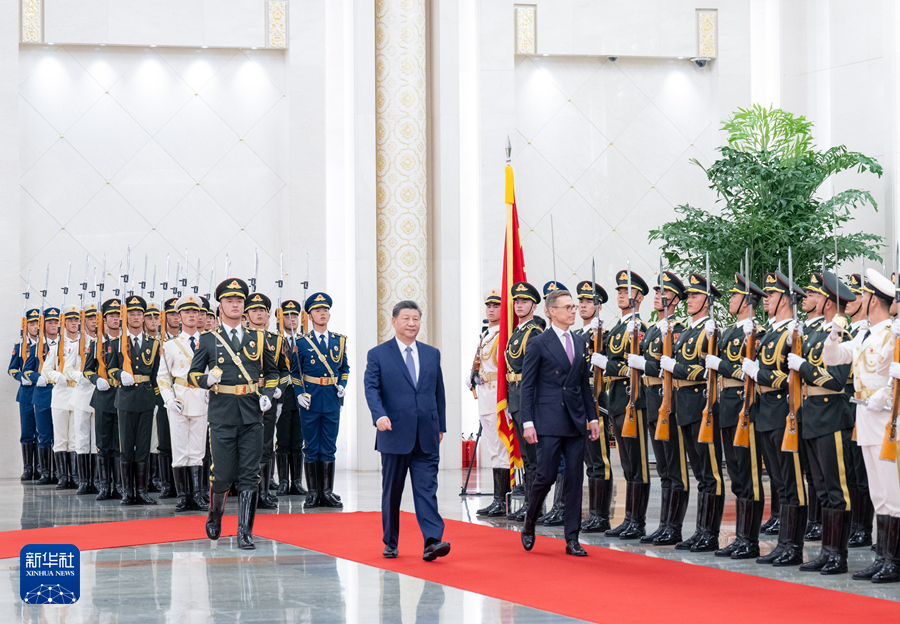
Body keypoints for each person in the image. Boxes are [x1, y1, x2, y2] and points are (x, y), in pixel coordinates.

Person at [189, 278, 278, 550]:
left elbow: (273, 372)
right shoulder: (208, 340)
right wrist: (205, 380)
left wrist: (268, 393)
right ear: (220, 306)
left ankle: (245, 532)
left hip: (252, 414)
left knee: (251, 475)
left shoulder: (260, 338)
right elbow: (193, 374)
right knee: (223, 474)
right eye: (230, 301)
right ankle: (215, 515)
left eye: (240, 301)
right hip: (222, 413)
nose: (236, 305)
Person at [824, 268, 899, 583]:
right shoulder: (865, 333)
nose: (860, 299)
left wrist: (884, 394)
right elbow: (835, 357)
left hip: (887, 418)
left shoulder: (894, 333)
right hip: (865, 417)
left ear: (874, 300)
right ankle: (882, 556)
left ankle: (893, 560)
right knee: (878, 492)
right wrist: (833, 334)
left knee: (892, 492)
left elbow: (896, 375)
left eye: (865, 295)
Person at [364, 300, 450, 561]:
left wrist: (441, 425)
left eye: (416, 319)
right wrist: (379, 415)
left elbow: (439, 392)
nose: (412, 323)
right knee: (392, 492)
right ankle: (390, 541)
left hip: (427, 433)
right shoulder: (378, 354)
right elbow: (372, 389)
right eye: (406, 319)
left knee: (427, 490)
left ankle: (432, 541)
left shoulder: (431, 353)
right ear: (394, 322)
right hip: (394, 433)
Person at [520, 288, 601, 556]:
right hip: (548, 419)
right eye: (567, 307)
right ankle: (530, 521)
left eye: (573, 307)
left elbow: (582, 385)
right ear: (550, 311)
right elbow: (527, 386)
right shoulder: (538, 343)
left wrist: (592, 417)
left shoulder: (579, 342)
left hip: (575, 420)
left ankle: (572, 538)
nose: (573, 311)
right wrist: (527, 422)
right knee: (546, 476)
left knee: (575, 478)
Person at [791, 272, 856, 575]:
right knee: (820, 487)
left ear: (828, 301)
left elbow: (837, 380)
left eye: (813, 294)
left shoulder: (841, 333)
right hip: (812, 415)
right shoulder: (816, 333)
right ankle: (826, 552)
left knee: (835, 488)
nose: (807, 298)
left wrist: (803, 367)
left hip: (831, 416)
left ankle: (837, 555)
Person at [743, 270, 808, 566]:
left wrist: (760, 374)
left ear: (785, 298)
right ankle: (783, 543)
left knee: (792, 482)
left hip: (785, 413)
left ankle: (793, 545)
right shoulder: (771, 333)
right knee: (780, 482)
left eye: (770, 294)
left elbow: (792, 379)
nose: (764, 299)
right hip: (766, 413)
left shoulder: (794, 333)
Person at [660, 273, 725, 552]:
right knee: (699, 472)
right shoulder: (686, 331)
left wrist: (677, 369)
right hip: (684, 407)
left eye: (695, 296)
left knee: (710, 473)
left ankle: (710, 532)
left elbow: (708, 370)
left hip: (702, 406)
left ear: (708, 301)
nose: (689, 300)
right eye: (688, 296)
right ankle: (699, 531)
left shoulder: (710, 332)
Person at [708, 273, 767, 559]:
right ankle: (741, 537)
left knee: (749, 473)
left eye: (734, 296)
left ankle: (750, 540)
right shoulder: (731, 331)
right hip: (728, 408)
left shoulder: (758, 333)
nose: (729, 300)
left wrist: (721, 365)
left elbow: (749, 371)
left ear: (747, 301)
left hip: (747, 407)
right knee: (736, 476)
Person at [591, 269, 650, 539]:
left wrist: (607, 364)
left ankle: (637, 521)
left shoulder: (639, 328)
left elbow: (633, 367)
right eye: (619, 291)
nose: (621, 295)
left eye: (626, 291)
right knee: (626, 463)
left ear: (638, 296)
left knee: (637, 463)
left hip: (631, 399)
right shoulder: (616, 328)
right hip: (614, 399)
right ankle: (628, 518)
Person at [630, 271, 688, 545]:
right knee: (663, 467)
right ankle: (664, 524)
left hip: (668, 399)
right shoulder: (655, 328)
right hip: (652, 398)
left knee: (675, 466)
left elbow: (670, 366)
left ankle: (674, 527)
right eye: (656, 292)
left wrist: (645, 365)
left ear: (675, 299)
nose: (657, 297)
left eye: (663, 293)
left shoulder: (677, 330)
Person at [291, 292, 350, 509]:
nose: (322, 313)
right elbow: (295, 372)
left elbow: (344, 368)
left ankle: (327, 492)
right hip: (311, 399)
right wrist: (299, 393)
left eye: (325, 310)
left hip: (332, 399)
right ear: (310, 316)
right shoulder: (301, 342)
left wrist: (343, 384)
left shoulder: (339, 341)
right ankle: (313, 493)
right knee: (311, 446)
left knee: (329, 446)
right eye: (317, 310)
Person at [106, 295, 161, 506]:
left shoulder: (152, 343)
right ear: (125, 316)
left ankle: (142, 491)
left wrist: (157, 400)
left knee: (144, 445)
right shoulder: (117, 343)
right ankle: (127, 493)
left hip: (146, 398)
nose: (136, 317)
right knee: (127, 446)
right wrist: (120, 375)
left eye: (140, 314)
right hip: (126, 399)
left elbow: (156, 374)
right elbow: (110, 368)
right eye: (132, 313)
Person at [158, 294, 209, 512]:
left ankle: (197, 494)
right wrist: (168, 399)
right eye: (186, 312)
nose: (190, 315)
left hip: (201, 397)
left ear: (200, 316)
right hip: (179, 398)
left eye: (194, 312)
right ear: (179, 317)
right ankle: (183, 495)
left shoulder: (209, 342)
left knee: (197, 450)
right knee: (179, 449)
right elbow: (162, 377)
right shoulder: (170, 345)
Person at [573, 280, 614, 533]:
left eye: (588, 301)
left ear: (599, 306)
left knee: (599, 460)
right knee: (586, 459)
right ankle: (591, 513)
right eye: (581, 301)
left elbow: (610, 370)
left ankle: (601, 515)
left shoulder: (605, 335)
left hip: (596, 402)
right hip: (577, 403)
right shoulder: (577, 336)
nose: (583, 305)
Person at [503, 282, 544, 522]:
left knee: (535, 458)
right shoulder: (517, 333)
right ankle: (529, 504)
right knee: (528, 459)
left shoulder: (534, 333)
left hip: (529, 399)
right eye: (517, 302)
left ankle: (534, 507)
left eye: (524, 302)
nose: (519, 305)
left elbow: (533, 372)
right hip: (516, 398)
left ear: (533, 305)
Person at [468, 290, 510, 517]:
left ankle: (501, 500)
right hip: (484, 395)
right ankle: (497, 499)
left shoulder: (503, 334)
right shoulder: (486, 334)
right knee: (493, 447)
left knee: (500, 447)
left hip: (497, 396)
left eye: (496, 306)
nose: (491, 310)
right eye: (489, 306)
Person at [245, 292, 288, 510]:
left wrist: (277, 391)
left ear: (268, 315)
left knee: (266, 445)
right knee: (246, 446)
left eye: (262, 310)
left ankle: (263, 493)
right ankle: (248, 491)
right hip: (244, 397)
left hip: (268, 397)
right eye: (254, 310)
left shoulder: (277, 340)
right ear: (247, 314)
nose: (259, 313)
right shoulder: (241, 337)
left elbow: (283, 370)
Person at [844, 273, 874, 549]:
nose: (849, 300)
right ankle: (854, 524)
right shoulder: (848, 332)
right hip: (846, 405)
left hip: (865, 404)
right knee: (852, 468)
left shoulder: (872, 333)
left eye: (855, 295)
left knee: (865, 470)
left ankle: (864, 527)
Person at [84, 299, 123, 500]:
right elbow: (87, 369)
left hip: (123, 397)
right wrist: (97, 379)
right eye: (111, 316)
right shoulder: (97, 343)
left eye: (118, 315)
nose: (115, 319)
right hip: (103, 398)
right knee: (103, 443)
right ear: (104, 319)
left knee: (119, 444)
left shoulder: (127, 342)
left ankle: (119, 486)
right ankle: (104, 486)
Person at [41, 305, 82, 490]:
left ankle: (74, 476)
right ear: (64, 324)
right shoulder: (57, 346)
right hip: (60, 394)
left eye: (76, 320)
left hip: (78, 394)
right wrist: (56, 376)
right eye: (70, 321)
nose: (74, 324)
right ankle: (62, 477)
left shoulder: (84, 344)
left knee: (74, 438)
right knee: (61, 438)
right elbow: (45, 369)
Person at [276, 299, 306, 496]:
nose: (292, 319)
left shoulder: (305, 341)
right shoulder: (276, 340)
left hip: (301, 394)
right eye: (287, 315)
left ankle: (296, 481)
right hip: (283, 394)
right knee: (283, 439)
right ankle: (283, 482)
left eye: (295, 315)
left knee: (298, 440)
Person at [70, 303, 98, 495]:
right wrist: (79, 376)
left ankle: (96, 480)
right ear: (84, 321)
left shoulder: (107, 342)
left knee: (97, 439)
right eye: (90, 318)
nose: (94, 322)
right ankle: (83, 481)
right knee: (82, 438)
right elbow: (67, 368)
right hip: (81, 395)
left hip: (100, 395)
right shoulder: (77, 343)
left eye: (96, 318)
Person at [9, 308, 40, 481]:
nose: (35, 327)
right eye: (32, 323)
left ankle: (43, 467)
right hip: (27, 393)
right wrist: (22, 377)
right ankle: (28, 468)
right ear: (26, 326)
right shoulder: (20, 346)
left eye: (37, 323)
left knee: (43, 432)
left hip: (42, 392)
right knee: (28, 430)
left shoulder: (48, 345)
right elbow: (12, 368)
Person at [33, 306, 60, 485]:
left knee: (60, 435)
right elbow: (27, 369)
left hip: (61, 393)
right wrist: (37, 377)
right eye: (50, 322)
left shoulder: (66, 344)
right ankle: (45, 472)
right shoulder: (37, 347)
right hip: (42, 394)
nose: (53, 325)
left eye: (56, 322)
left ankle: (59, 472)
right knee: (44, 435)